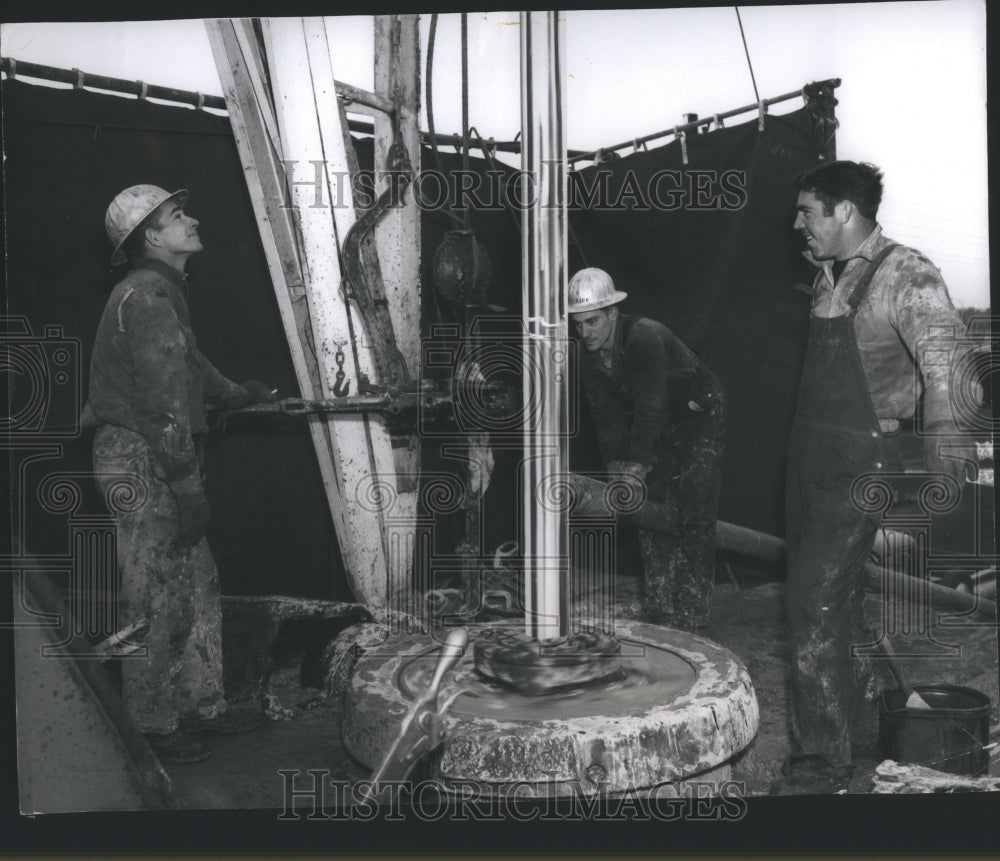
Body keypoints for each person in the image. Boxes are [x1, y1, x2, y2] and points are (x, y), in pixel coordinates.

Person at [773, 161, 980, 794]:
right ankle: (857, 730)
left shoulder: (904, 273)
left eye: (808, 211)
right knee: (835, 600)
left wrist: (948, 433)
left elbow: (948, 355)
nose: (797, 223)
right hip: (816, 457)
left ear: (844, 212)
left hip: (863, 462)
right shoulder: (829, 279)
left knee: (813, 601)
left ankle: (821, 763)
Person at [84, 185, 276, 763]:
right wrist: (189, 488)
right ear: (150, 236)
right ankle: (152, 726)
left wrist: (238, 394)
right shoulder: (146, 298)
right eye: (177, 216)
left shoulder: (160, 294)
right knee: (157, 594)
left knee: (196, 585)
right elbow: (164, 406)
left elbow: (187, 365)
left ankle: (200, 708)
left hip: (154, 453)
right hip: (144, 457)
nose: (191, 220)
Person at [568, 267, 725, 630]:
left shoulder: (643, 336)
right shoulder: (586, 354)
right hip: (659, 419)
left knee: (694, 508)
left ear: (612, 313)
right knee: (646, 508)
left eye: (592, 322)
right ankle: (660, 603)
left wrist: (636, 465)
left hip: (697, 413)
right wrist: (617, 471)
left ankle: (691, 609)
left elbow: (650, 406)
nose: (585, 332)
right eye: (578, 324)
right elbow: (605, 416)